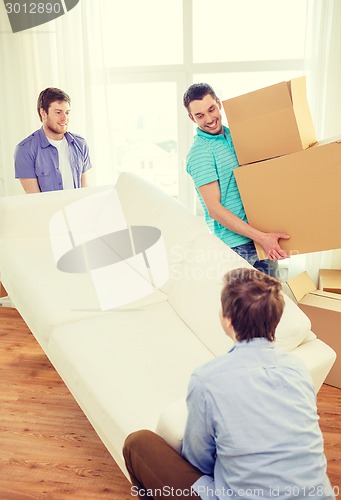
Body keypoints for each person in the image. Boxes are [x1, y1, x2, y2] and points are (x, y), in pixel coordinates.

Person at [123, 268, 335, 500]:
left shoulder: (206, 380)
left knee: (137, 443)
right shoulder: (298, 370)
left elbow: (197, 462)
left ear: (227, 320)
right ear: (275, 320)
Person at [183, 83, 290, 278]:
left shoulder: (235, 136)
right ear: (192, 118)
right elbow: (214, 210)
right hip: (236, 246)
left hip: (260, 237)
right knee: (241, 307)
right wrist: (262, 237)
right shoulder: (200, 153)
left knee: (271, 302)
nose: (209, 119)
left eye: (211, 109)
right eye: (200, 116)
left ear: (219, 104)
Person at [14, 87, 92, 193]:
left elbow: (85, 190)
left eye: (67, 112)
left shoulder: (80, 144)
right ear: (43, 113)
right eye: (58, 112)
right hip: (49, 210)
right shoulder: (25, 150)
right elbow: (34, 199)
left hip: (76, 208)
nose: (65, 118)